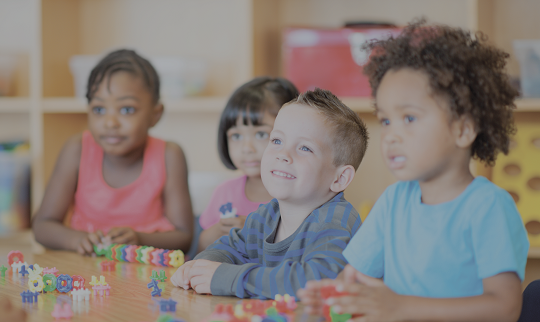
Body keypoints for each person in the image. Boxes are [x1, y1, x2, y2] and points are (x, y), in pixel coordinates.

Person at [298, 21, 529, 322]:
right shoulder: (394, 200)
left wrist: (401, 308)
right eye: (386, 121)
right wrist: (333, 298)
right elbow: (354, 279)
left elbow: (504, 308)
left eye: (409, 118)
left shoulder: (488, 207)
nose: (391, 135)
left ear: (464, 128)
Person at [171, 88, 369, 299]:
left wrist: (231, 278)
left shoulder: (336, 221)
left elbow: (318, 282)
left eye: (304, 148)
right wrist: (199, 268)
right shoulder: (266, 216)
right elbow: (226, 248)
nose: (283, 154)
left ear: (339, 178)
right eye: (276, 141)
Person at [32, 49, 193, 255]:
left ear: (155, 114)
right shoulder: (77, 150)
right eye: (99, 109)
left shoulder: (169, 156)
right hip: (85, 277)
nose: (110, 123)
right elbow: (42, 226)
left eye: (126, 110)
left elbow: (184, 237)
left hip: (146, 280)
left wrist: (139, 239)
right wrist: (77, 240)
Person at [197, 77, 299, 252]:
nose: (247, 148)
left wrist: (257, 231)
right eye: (236, 136)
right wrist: (213, 234)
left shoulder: (302, 196)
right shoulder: (224, 193)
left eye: (260, 134)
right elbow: (200, 254)